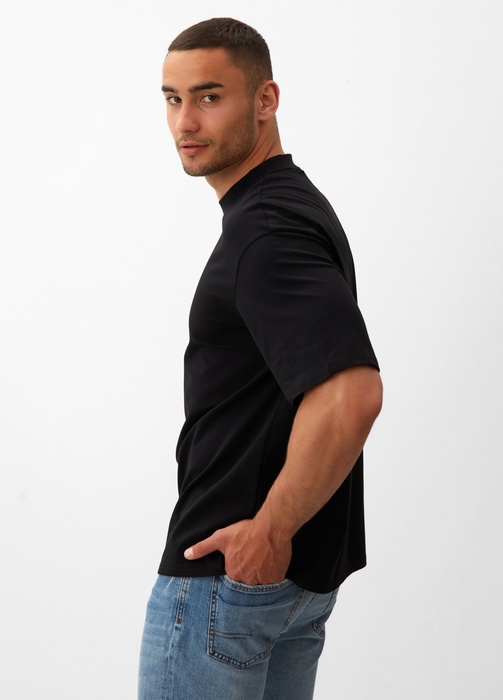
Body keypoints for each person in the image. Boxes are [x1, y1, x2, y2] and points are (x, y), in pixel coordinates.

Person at [138, 17, 383, 700]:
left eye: (209, 96)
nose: (186, 121)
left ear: (265, 100)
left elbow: (351, 393)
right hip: (283, 583)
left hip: (230, 579)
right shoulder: (289, 208)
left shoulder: (267, 231)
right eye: (172, 99)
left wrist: (271, 530)